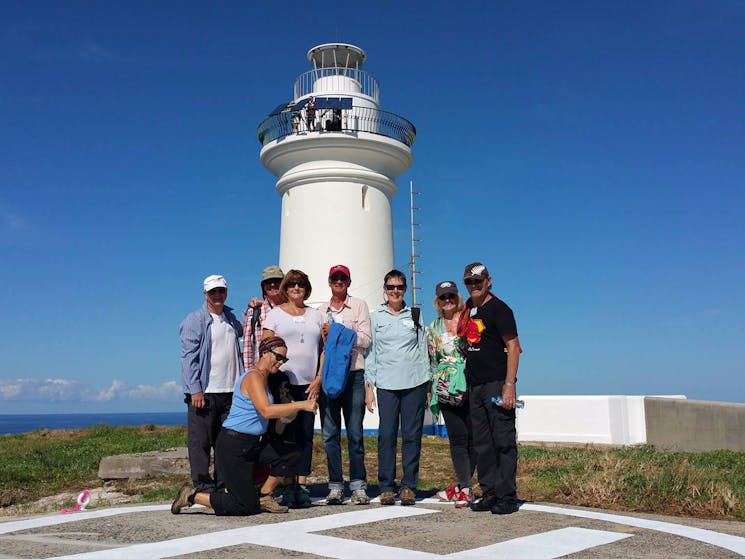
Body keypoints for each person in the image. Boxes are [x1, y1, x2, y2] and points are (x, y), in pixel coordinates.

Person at [171, 336, 318, 516]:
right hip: (234, 445)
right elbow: (266, 410)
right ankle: (192, 496)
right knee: (244, 506)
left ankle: (265, 495)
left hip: (254, 444)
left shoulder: (265, 378)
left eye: (284, 359)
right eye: (278, 357)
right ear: (264, 353)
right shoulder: (253, 377)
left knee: (292, 453)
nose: (281, 362)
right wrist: (302, 405)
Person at [457, 262, 522, 515]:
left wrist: (509, 385)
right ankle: (490, 492)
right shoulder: (469, 311)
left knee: (503, 440)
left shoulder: (500, 309)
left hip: (496, 384)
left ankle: (507, 495)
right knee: (482, 443)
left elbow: (514, 347)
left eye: (478, 281)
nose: (474, 285)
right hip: (475, 386)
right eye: (469, 282)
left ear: (488, 280)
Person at [365, 269, 430, 506]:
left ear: (405, 289)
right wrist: (369, 386)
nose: (395, 291)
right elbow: (370, 353)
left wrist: (428, 381)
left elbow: (423, 349)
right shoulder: (376, 317)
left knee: (412, 436)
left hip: (414, 382)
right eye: (391, 287)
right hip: (386, 384)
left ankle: (409, 486)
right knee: (386, 436)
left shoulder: (415, 314)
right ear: (384, 290)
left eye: (399, 287)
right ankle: (386, 486)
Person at [262, 269, 324, 508]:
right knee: (286, 436)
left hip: (309, 385)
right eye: (291, 285)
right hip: (284, 385)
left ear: (306, 288)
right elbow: (267, 345)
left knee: (306, 435)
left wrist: (318, 378)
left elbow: (323, 348)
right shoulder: (275, 315)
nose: (296, 288)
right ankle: (287, 486)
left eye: (300, 284)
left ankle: (302, 485)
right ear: (285, 289)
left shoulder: (317, 315)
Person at [179, 274, 243, 493]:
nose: (218, 295)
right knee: (201, 444)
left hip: (230, 392)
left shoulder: (232, 319)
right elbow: (189, 357)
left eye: (221, 291)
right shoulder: (195, 319)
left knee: (225, 443)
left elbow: (249, 333)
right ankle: (203, 488)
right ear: (205, 294)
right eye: (213, 291)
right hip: (204, 393)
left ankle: (223, 486)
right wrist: (195, 389)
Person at [318, 265, 372, 505]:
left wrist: (339, 332)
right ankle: (335, 485)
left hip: (353, 374)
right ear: (329, 281)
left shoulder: (359, 306)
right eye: (335, 278)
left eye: (343, 278)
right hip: (329, 376)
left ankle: (358, 485)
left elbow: (366, 339)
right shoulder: (320, 310)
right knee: (329, 435)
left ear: (349, 282)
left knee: (355, 434)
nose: (339, 281)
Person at [427, 281, 477, 508]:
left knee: (475, 438)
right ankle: (466, 488)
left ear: (456, 298)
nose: (447, 300)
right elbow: (430, 360)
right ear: (437, 301)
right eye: (442, 297)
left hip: (469, 382)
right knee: (457, 438)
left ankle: (462, 486)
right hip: (446, 385)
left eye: (450, 296)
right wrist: (430, 389)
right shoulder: (432, 328)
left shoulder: (468, 321)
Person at [243, 266, 285, 372]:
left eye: (276, 281)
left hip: (290, 370)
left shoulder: (293, 310)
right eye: (268, 282)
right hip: (264, 372)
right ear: (263, 287)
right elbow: (248, 346)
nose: (272, 284)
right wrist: (249, 374)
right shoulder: (255, 311)